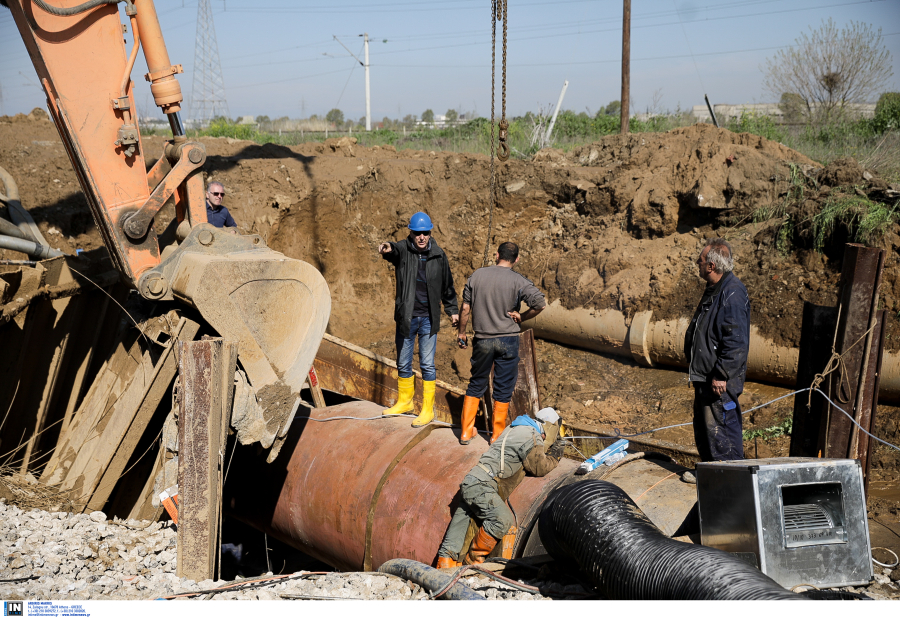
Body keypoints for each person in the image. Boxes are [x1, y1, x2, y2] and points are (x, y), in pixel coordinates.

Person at [436, 407, 565, 568]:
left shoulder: (515, 427)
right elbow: (539, 467)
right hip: (484, 485)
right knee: (502, 520)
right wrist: (556, 453)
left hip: (472, 480)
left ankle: (444, 566)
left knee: (460, 524)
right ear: (549, 427)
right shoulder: (531, 435)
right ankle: (473, 561)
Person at [456, 242, 546, 445]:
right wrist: (521, 316)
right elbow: (540, 303)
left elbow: (465, 308)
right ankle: (496, 436)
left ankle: (465, 432)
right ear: (517, 259)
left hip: (483, 339)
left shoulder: (477, 275)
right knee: (503, 387)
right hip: (508, 339)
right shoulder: (518, 280)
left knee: (476, 382)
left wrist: (462, 332)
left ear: (497, 255)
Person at [378, 212, 459, 427]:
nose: (421, 237)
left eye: (425, 233)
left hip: (428, 319)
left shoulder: (439, 256)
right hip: (407, 317)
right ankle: (405, 403)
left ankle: (427, 409)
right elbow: (393, 250)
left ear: (430, 233)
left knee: (427, 365)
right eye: (417, 233)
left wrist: (452, 310)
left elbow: (447, 286)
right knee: (403, 362)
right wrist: (388, 248)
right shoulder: (404, 250)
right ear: (411, 233)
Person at [684, 238, 751, 468]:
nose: (697, 263)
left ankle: (731, 477)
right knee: (706, 430)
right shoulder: (715, 289)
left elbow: (736, 341)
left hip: (718, 381)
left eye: (700, 260)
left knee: (722, 429)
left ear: (711, 266)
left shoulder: (732, 293)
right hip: (706, 377)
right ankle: (710, 473)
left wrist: (722, 373)